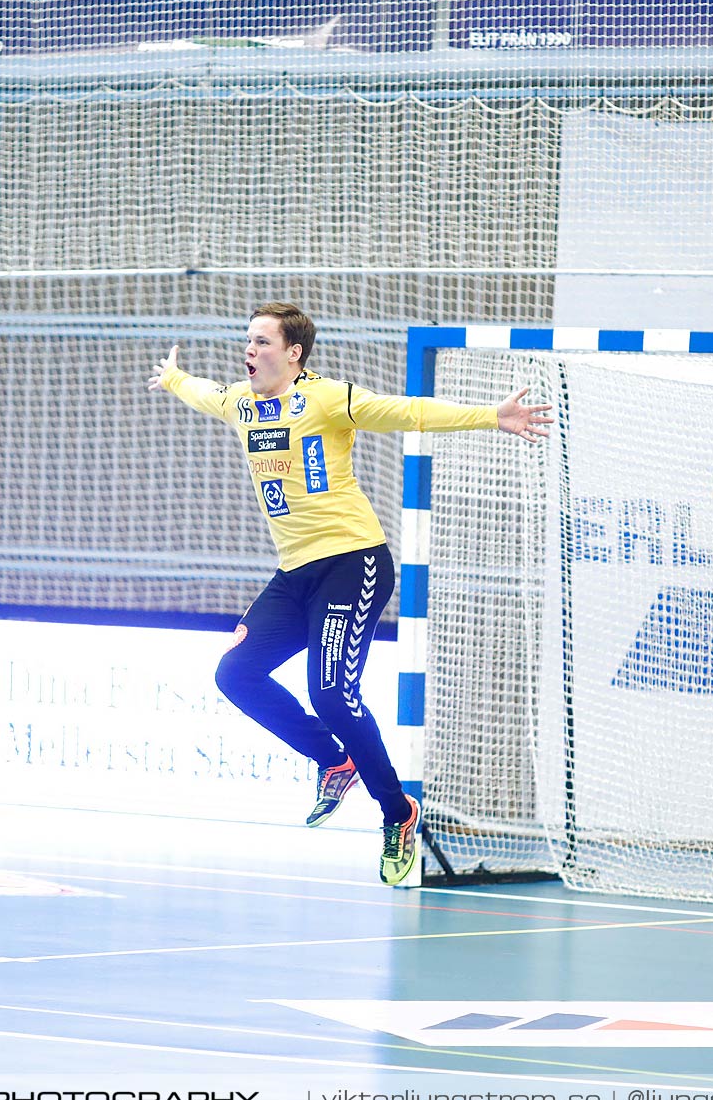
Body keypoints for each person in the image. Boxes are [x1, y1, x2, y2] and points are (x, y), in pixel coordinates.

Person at [149, 302, 551, 885]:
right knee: (235, 674)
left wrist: (491, 416)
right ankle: (334, 760)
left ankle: (397, 813)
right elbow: (204, 391)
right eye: (248, 341)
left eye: (263, 342)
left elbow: (407, 411)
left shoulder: (326, 399)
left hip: (353, 561)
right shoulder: (241, 402)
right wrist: (174, 379)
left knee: (332, 693)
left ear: (294, 353)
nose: (250, 351)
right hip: (294, 574)